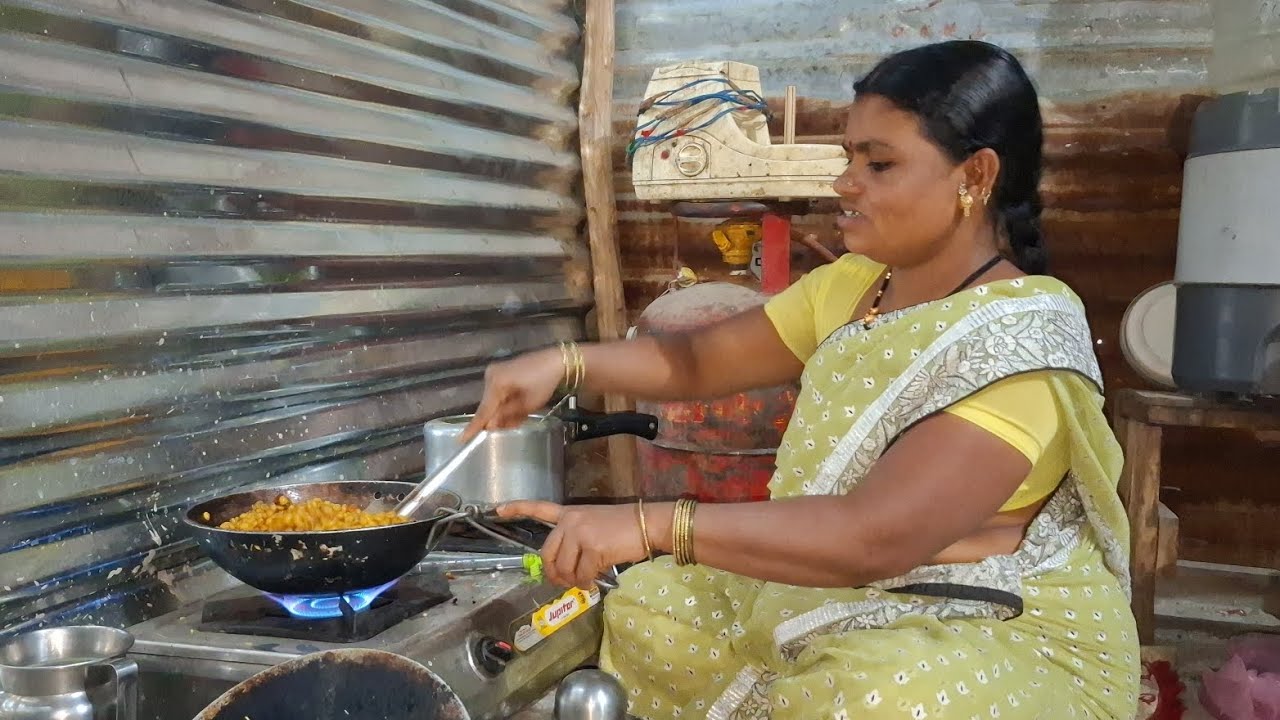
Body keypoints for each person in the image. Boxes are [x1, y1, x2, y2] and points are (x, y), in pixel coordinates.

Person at [466, 40, 1139, 720]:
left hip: (985, 618)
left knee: (872, 698)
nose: (846, 183)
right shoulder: (857, 286)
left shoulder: (1022, 342)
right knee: (650, 607)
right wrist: (566, 363)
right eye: (849, 158)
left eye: (879, 164)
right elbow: (696, 363)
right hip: (843, 588)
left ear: (976, 175)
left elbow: (872, 538)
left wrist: (649, 524)